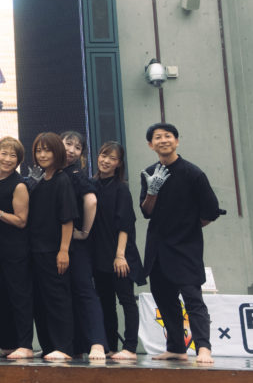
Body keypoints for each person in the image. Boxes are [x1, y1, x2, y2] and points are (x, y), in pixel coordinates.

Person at [140, 122, 221, 366]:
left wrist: (188, 228)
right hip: (158, 248)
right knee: (165, 300)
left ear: (176, 141)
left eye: (168, 136)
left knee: (193, 299)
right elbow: (146, 212)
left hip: (186, 248)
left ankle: (203, 348)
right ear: (151, 145)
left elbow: (211, 211)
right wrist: (152, 191)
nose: (163, 140)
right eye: (157, 137)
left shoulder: (193, 173)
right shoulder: (148, 172)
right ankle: (176, 348)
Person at [90, 141, 145, 360]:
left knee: (126, 300)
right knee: (105, 302)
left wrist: (120, 255)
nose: (106, 161)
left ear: (119, 164)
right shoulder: (91, 184)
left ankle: (130, 348)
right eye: (103, 156)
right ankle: (111, 346)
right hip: (99, 255)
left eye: (112, 158)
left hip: (120, 255)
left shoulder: (121, 188)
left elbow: (125, 224)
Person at [28, 132, 78, 360]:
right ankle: (48, 346)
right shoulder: (40, 181)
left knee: (58, 300)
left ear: (57, 152)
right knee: (41, 301)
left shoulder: (62, 180)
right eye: (39, 150)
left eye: (47, 150)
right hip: (36, 250)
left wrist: (63, 250)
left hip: (54, 251)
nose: (42, 155)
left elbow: (67, 219)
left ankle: (64, 347)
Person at [61, 130, 108, 361]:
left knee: (84, 291)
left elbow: (91, 201)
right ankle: (73, 347)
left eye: (77, 147)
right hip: (57, 245)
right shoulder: (54, 173)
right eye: (68, 144)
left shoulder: (76, 174)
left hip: (76, 246)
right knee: (66, 294)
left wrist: (84, 232)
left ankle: (97, 344)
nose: (71, 150)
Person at [0, 136, 33, 359]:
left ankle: (25, 345)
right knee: (0, 296)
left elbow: (21, 221)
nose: (7, 159)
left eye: (13, 155)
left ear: (19, 160)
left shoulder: (19, 185)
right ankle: (7, 345)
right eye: (3, 153)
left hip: (15, 249)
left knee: (19, 297)